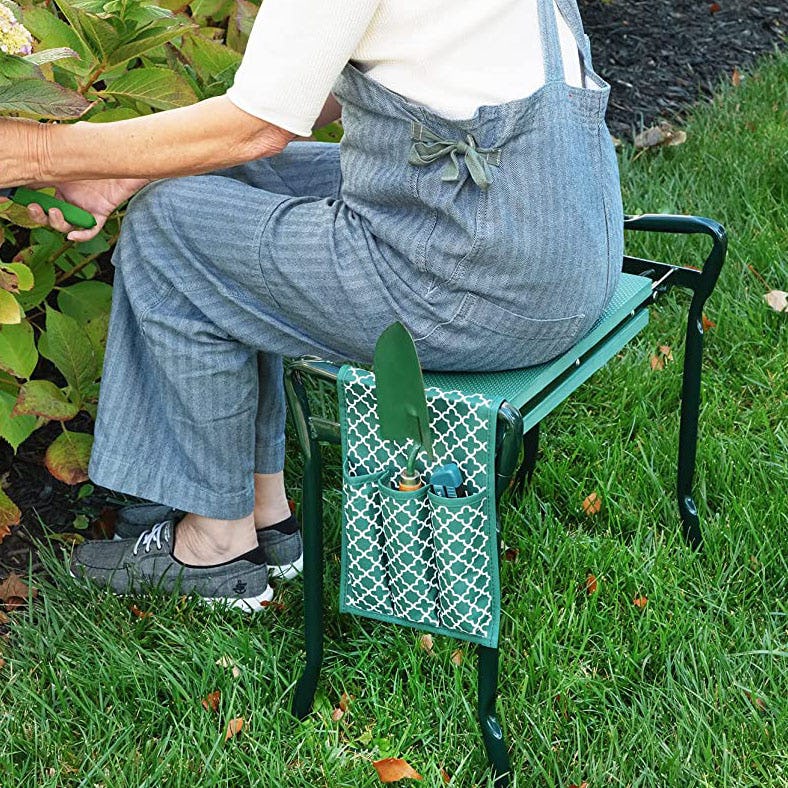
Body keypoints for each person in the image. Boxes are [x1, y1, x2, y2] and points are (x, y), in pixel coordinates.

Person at [0, 0, 622, 611]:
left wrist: (34, 152)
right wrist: (123, 173)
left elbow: (256, 127)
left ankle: (215, 546)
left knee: (169, 231)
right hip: (561, 242)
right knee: (220, 185)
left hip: (479, 288)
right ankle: (265, 513)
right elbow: (299, 86)